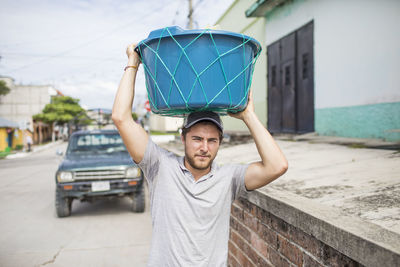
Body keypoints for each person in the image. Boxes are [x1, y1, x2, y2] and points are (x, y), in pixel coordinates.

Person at [112, 43, 288, 267]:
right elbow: (120, 118)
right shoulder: (159, 165)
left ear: (219, 143)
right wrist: (133, 62)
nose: (204, 147)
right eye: (197, 139)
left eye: (212, 140)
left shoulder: (229, 178)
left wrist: (248, 116)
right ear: (183, 138)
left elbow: (277, 166)